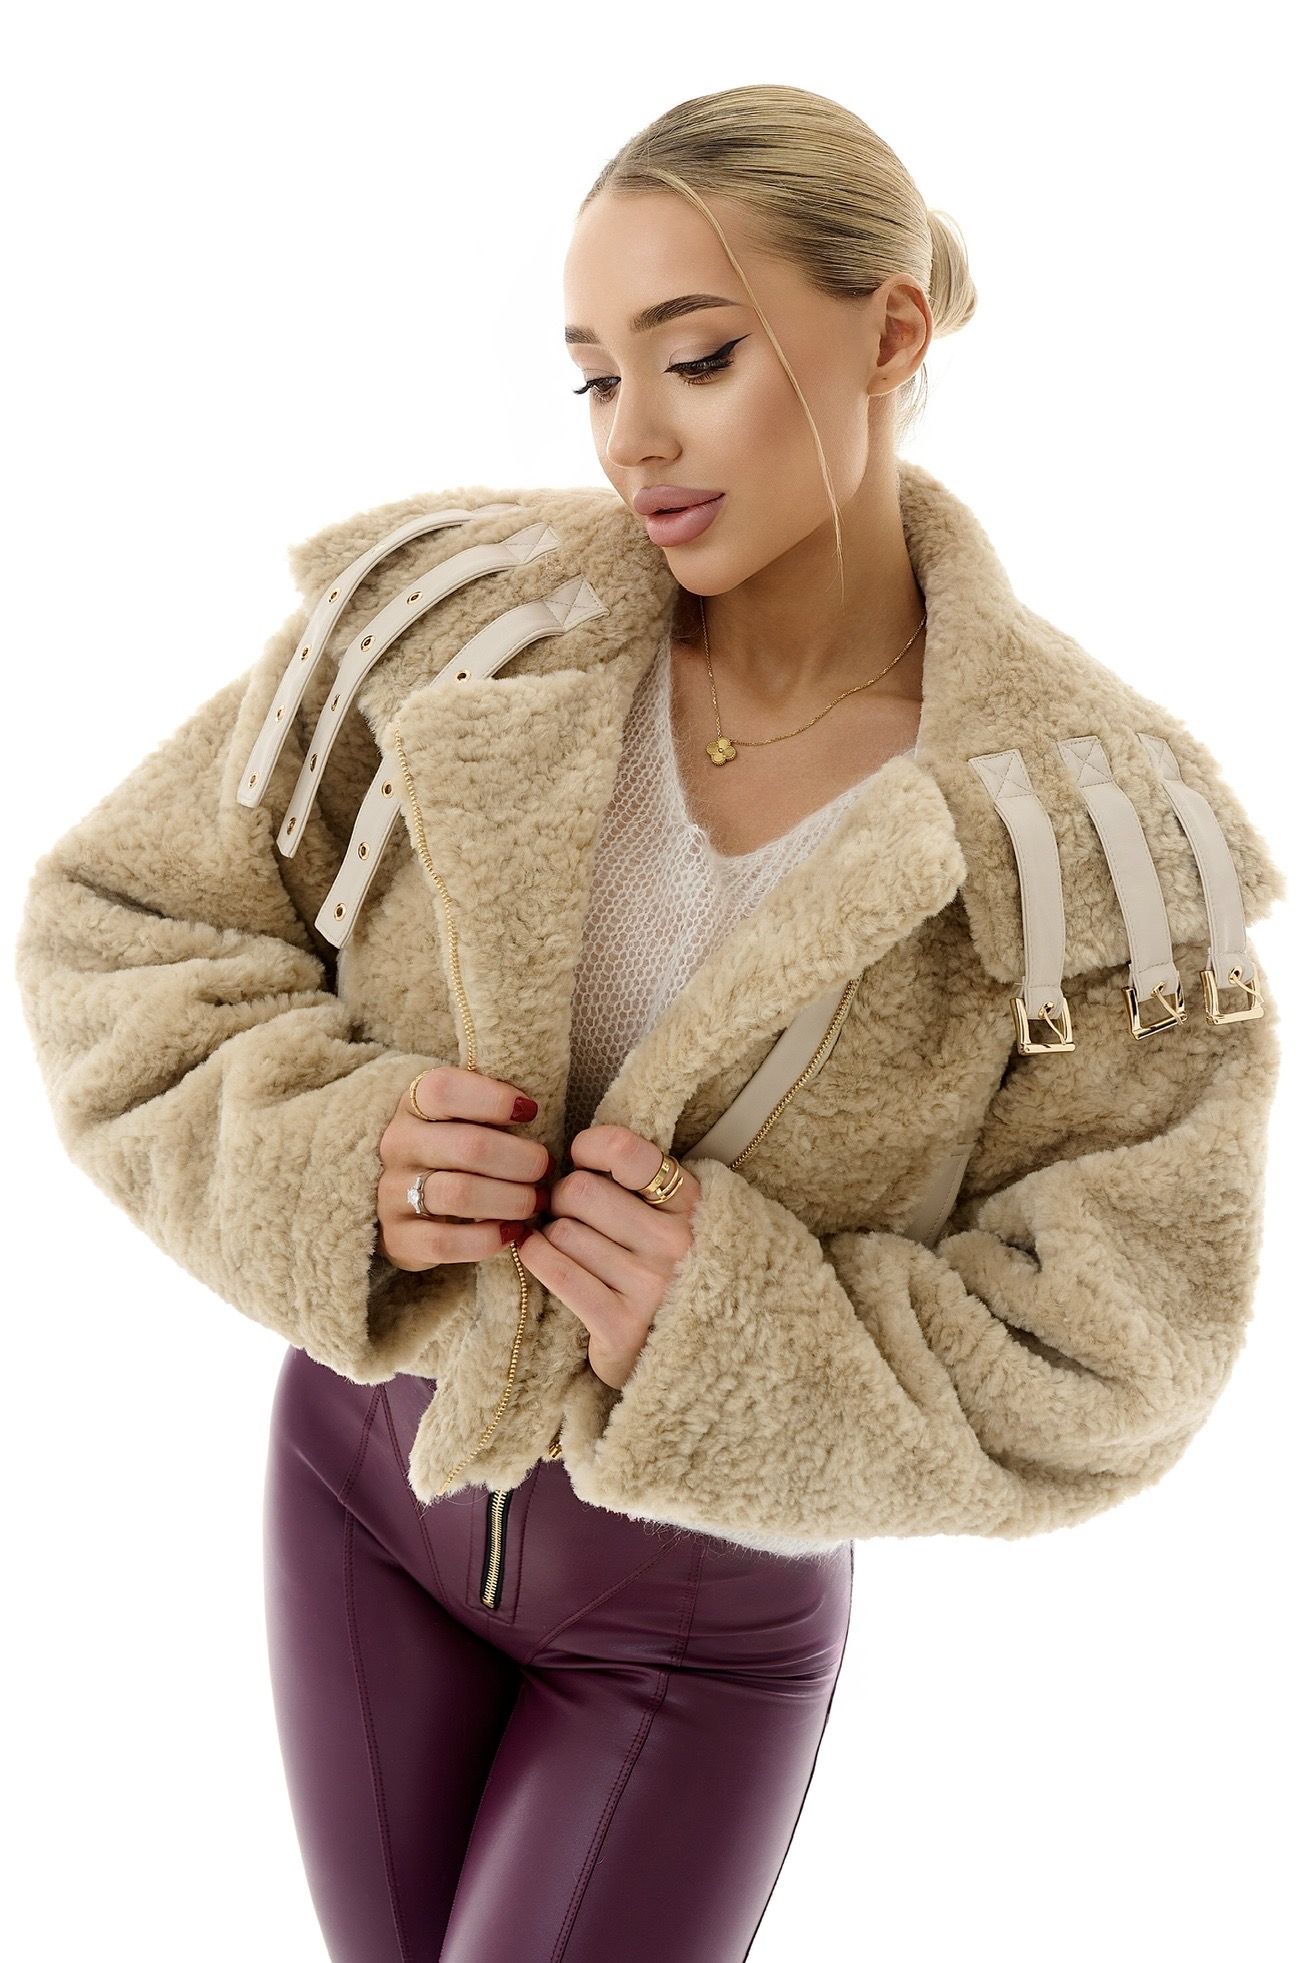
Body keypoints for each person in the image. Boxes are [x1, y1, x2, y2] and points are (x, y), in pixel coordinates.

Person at [15, 82, 1284, 1963]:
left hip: (688, 1617)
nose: (634, 437)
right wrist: (337, 1152)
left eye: (696, 359)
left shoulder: (1081, 833)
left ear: (890, 334)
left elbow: (1123, 1342)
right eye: (594, 377)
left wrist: (738, 1320)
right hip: (353, 1483)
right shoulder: (453, 636)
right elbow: (118, 925)